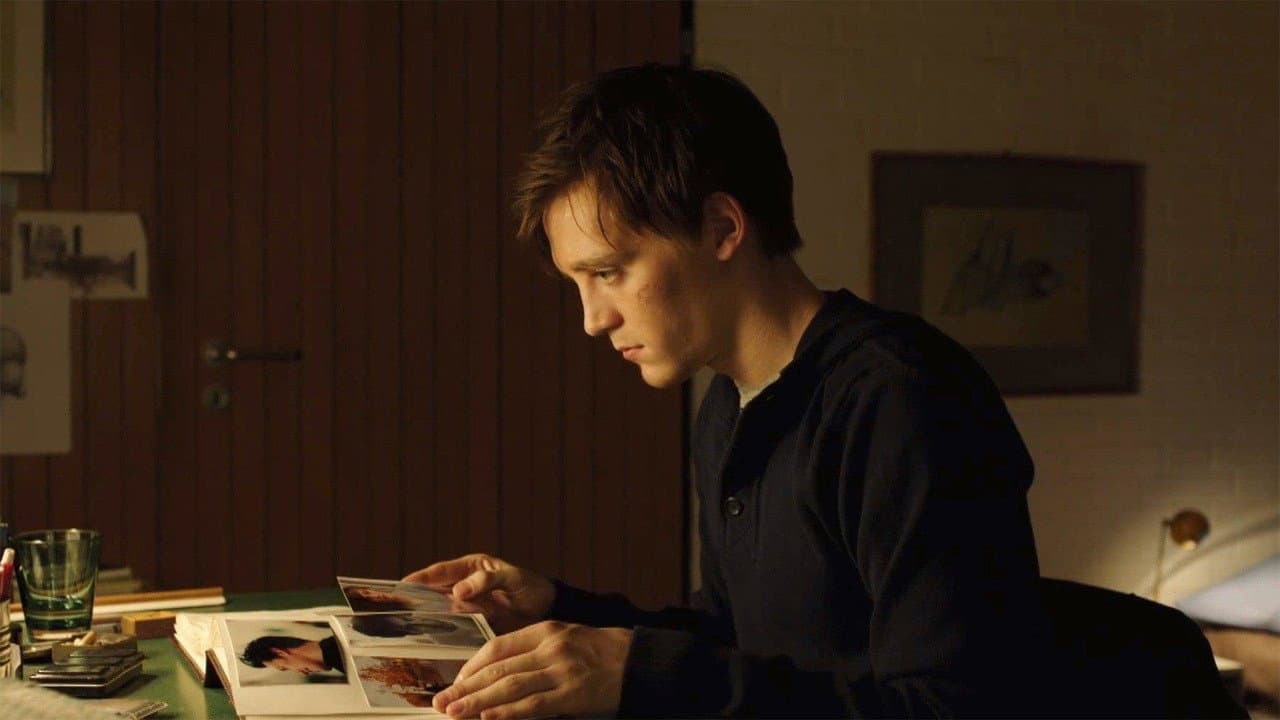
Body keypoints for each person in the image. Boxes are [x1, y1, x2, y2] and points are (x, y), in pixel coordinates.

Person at [403, 63, 1052, 718]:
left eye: (609, 272)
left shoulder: (905, 401)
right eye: (578, 283)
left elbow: (953, 709)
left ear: (721, 228)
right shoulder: (726, 409)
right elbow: (735, 646)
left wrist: (643, 675)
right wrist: (559, 609)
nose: (592, 320)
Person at [240, 634, 346, 677]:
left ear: (280, 652)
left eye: (284, 668)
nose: (302, 673)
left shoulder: (343, 655)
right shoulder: (338, 652)